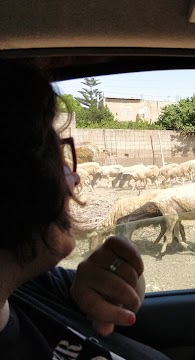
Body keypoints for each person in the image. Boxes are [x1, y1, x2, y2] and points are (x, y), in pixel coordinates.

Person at [0, 59, 171, 359]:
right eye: (54, 155)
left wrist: (120, 281)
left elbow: (124, 298)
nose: (75, 176)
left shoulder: (32, 287)